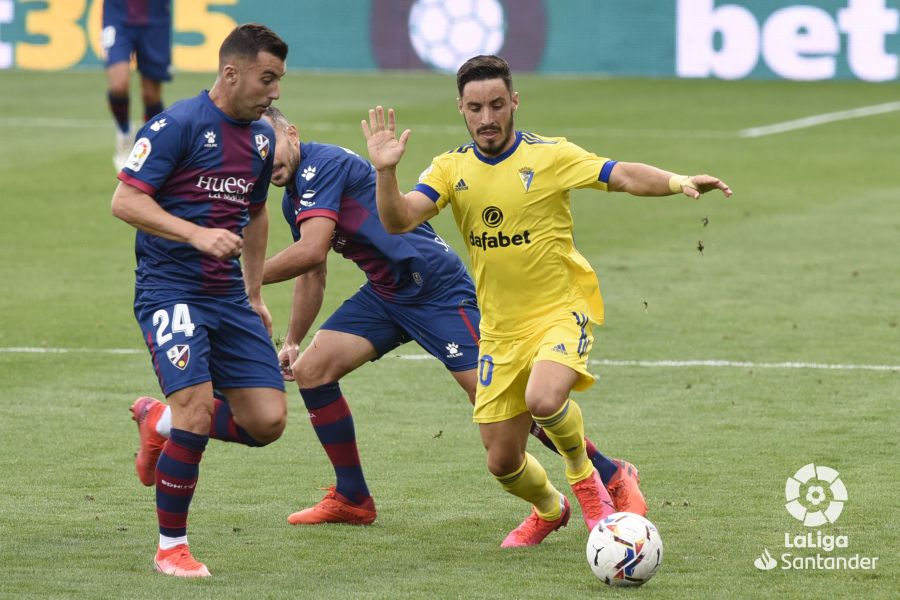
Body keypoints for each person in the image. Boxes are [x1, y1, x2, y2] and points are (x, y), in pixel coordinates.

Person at [128, 104, 646, 530]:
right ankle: (352, 497)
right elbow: (316, 270)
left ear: (291, 132)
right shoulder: (292, 198)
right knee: (312, 369)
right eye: (258, 152)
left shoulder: (321, 166)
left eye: (271, 144)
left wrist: (246, 279)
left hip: (437, 290)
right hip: (386, 294)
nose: (267, 159)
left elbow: (310, 253)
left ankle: (609, 472)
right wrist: (293, 338)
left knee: (499, 406)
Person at [361, 54, 733, 548]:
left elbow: (619, 173)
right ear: (461, 109)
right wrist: (385, 173)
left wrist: (676, 181)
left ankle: (595, 488)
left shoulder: (549, 155)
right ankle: (550, 508)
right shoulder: (450, 168)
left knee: (543, 398)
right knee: (502, 462)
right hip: (499, 329)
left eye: (497, 104)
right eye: (476, 107)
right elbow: (398, 220)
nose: (487, 117)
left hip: (560, 309)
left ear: (515, 101)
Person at [110, 23, 289, 578]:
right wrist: (194, 234)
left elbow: (256, 213)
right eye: (267, 78)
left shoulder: (261, 139)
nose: (274, 91)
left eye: (279, 79)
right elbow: (124, 200)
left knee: (267, 422)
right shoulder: (177, 125)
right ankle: (171, 547)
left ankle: (158, 421)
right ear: (231, 73)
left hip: (226, 297)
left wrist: (254, 291)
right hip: (171, 291)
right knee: (197, 408)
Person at [102, 0, 174, 170]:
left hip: (155, 18)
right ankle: (124, 134)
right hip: (117, 16)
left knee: (151, 96)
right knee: (119, 85)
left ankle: (149, 145)